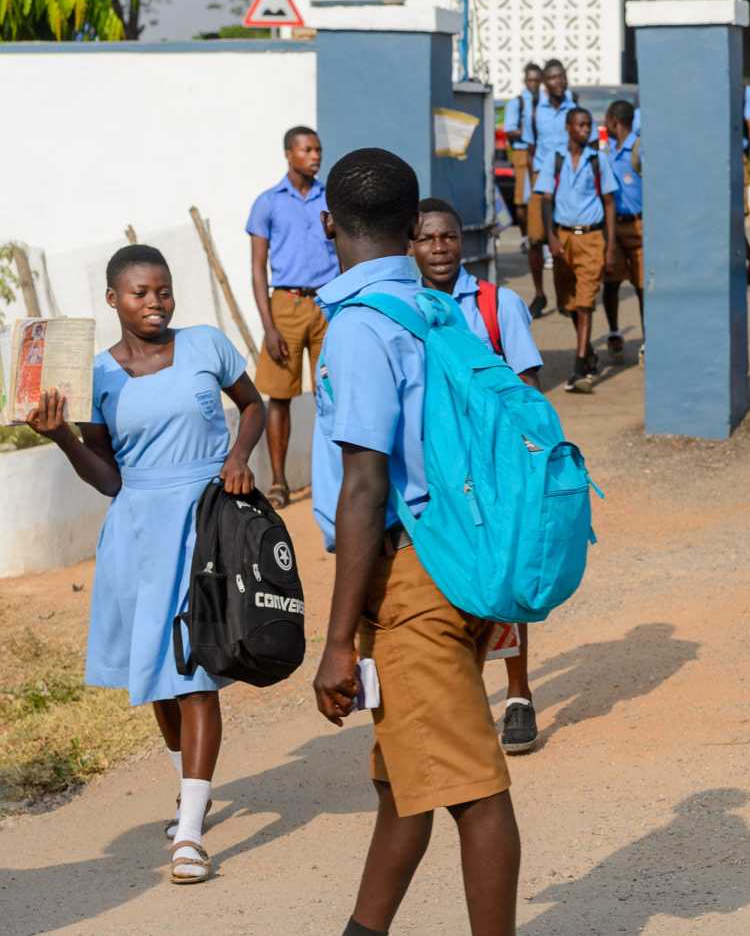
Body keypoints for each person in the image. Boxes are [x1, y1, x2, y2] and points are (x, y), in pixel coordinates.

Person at [309, 148, 521, 936]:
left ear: (328, 223)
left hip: (409, 580)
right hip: (457, 558)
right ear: (410, 227)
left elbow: (365, 487)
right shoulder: (434, 310)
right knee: (403, 780)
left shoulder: (361, 328)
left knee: (471, 790)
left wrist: (337, 642)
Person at [27, 244, 266, 884]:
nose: (155, 302)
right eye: (140, 293)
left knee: (194, 672)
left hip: (208, 527)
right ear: (113, 299)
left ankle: (189, 835)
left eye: (163, 290)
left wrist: (239, 456)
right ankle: (191, 792)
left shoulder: (206, 344)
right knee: (160, 677)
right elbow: (109, 479)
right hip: (138, 534)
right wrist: (62, 437)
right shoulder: (97, 377)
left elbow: (254, 405)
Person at [408, 196, 545, 756]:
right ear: (410, 246)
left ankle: (518, 694)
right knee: (447, 582)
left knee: (504, 578)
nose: (439, 248)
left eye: (447, 237)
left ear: (461, 241)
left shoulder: (496, 304)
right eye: (426, 238)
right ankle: (463, 699)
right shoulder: (404, 310)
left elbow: (528, 388)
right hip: (434, 474)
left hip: (494, 470)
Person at [247, 125, 339, 509]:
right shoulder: (268, 203)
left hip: (328, 302)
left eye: (318, 149)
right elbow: (257, 269)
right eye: (307, 150)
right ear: (289, 153)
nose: (315, 156)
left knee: (332, 393)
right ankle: (279, 482)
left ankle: (334, 478)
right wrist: (268, 326)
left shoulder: (331, 199)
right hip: (285, 303)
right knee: (280, 397)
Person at [535, 106, 620, 395]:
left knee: (585, 302)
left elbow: (609, 202)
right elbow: (546, 199)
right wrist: (551, 238)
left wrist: (610, 247)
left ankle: (579, 368)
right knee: (568, 302)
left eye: (588, 125)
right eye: (581, 125)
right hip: (563, 238)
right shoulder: (555, 159)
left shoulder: (598, 160)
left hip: (592, 238)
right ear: (569, 128)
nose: (585, 130)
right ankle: (590, 353)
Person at [524, 59, 577, 316]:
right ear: (545, 83)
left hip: (565, 178)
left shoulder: (573, 107)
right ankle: (539, 294)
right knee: (536, 239)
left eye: (562, 76)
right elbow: (529, 147)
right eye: (554, 77)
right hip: (540, 177)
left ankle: (563, 296)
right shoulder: (535, 111)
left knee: (561, 238)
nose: (560, 81)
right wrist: (533, 182)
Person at [603, 99, 644, 364]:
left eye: (606, 120)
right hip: (613, 226)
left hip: (638, 225)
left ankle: (648, 337)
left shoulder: (638, 149)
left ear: (615, 122)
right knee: (611, 281)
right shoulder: (608, 151)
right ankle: (614, 331)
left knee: (642, 285)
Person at [503, 64, 545, 315]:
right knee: (522, 202)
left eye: (537, 80)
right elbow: (509, 131)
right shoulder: (518, 103)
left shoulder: (547, 102)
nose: (534, 84)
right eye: (530, 80)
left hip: (543, 155)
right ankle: (528, 236)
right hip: (523, 153)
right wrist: (527, 131)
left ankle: (538, 238)